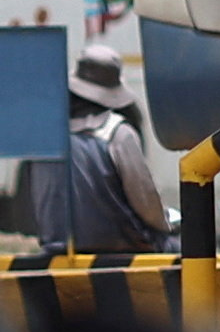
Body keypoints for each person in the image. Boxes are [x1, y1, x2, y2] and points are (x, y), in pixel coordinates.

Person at [44, 46, 173, 255]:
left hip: (57, 247)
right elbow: (145, 200)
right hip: (116, 245)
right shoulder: (118, 133)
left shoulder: (49, 134)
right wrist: (165, 224)